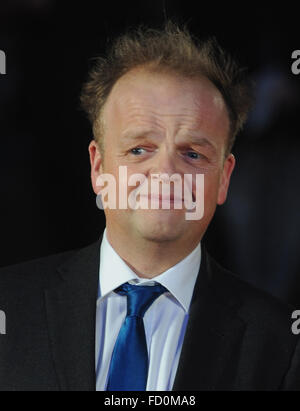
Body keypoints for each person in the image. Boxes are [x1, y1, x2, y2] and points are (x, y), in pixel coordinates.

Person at [0, 22, 300, 391]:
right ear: (98, 167)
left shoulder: (283, 345)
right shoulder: (9, 308)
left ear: (224, 177)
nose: (166, 173)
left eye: (192, 153)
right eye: (139, 149)